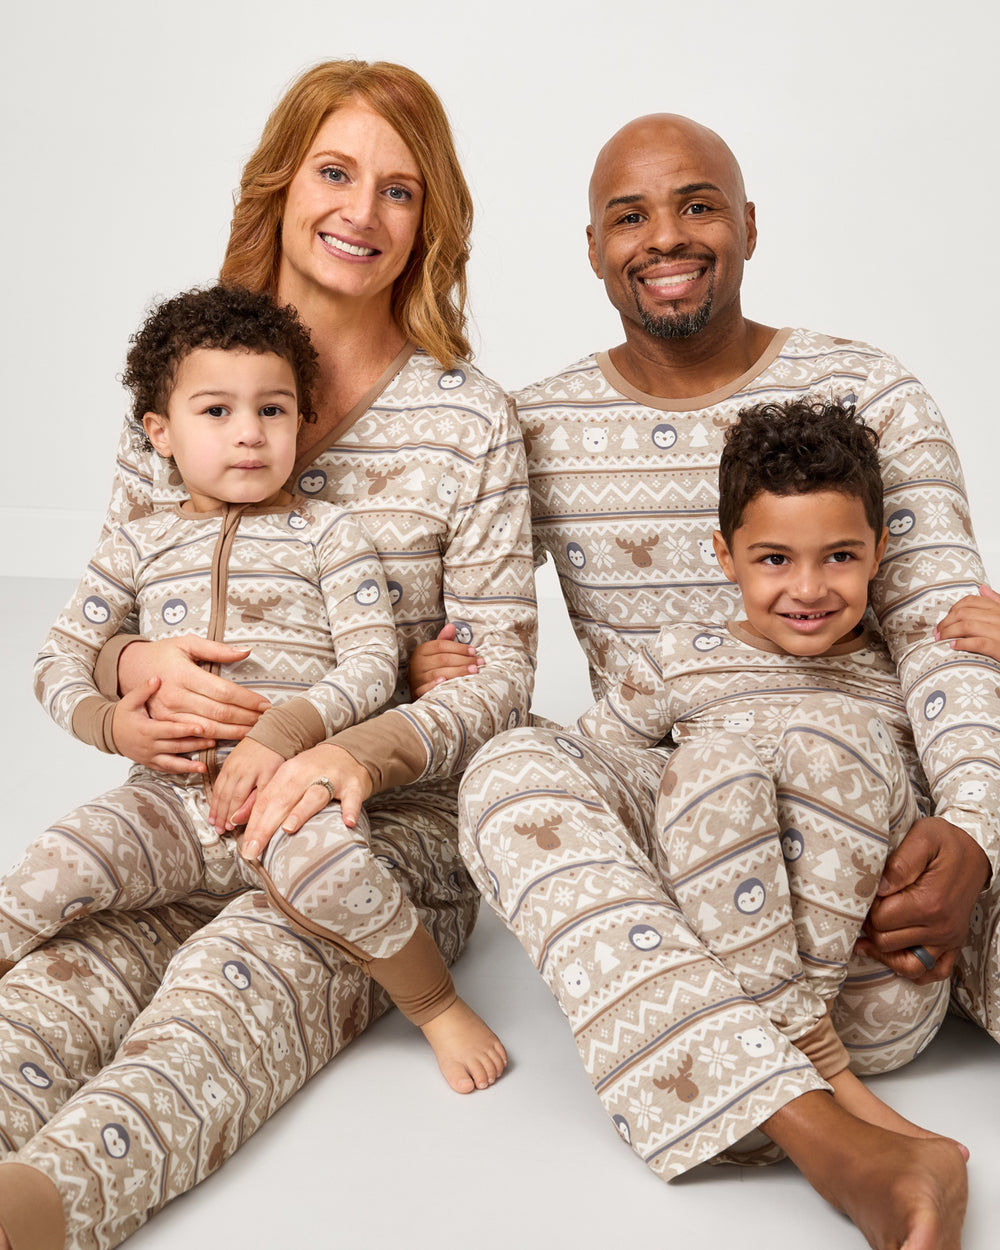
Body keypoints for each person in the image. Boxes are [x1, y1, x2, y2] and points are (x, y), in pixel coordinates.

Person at [0, 60, 534, 1250]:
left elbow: (498, 675)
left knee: (215, 1008)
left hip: (370, 840)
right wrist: (129, 678)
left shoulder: (468, 419)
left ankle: (33, 1217)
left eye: (401, 190)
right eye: (335, 173)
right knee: (43, 991)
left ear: (430, 217)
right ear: (281, 188)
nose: (361, 211)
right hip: (180, 803)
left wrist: (358, 737)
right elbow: (106, 613)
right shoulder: (191, 373)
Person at [446, 114, 997, 1248]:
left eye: (697, 204)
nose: (665, 237)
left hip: (883, 849)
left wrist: (975, 829)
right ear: (592, 246)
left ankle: (764, 1063)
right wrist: (419, 648)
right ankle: (838, 1139)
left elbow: (950, 632)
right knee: (505, 771)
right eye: (629, 215)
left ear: (745, 225)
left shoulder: (869, 388)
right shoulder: (535, 424)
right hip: (684, 862)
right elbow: (487, 648)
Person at [4, 282, 508, 1087]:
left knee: (343, 875)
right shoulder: (136, 544)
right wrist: (113, 725)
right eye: (217, 412)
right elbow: (57, 660)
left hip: (285, 800)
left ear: (302, 419)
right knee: (56, 861)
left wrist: (277, 740)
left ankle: (437, 1004)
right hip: (166, 804)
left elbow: (373, 665)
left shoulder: (330, 534)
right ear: (158, 433)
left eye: (273, 410)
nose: (249, 434)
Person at [574, 396, 956, 1137]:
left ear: (879, 550)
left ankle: (803, 1067)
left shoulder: (906, 669)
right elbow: (596, 776)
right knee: (710, 766)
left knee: (828, 739)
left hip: (876, 993)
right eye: (775, 559)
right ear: (725, 556)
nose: (809, 589)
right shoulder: (677, 659)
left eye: (839, 556)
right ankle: (805, 1071)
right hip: (734, 993)